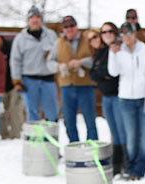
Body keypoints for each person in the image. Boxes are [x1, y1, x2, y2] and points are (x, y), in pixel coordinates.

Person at [107, 21, 145, 180]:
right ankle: (131, 168)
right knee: (131, 137)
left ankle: (140, 170)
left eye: (129, 33)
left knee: (144, 137)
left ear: (135, 33)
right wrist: (113, 54)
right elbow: (113, 72)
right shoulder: (118, 51)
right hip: (126, 99)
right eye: (123, 34)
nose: (126, 37)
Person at [47, 15, 98, 143]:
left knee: (90, 120)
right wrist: (59, 66)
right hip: (66, 86)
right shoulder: (58, 43)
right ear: (63, 29)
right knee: (69, 120)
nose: (69, 29)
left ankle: (91, 148)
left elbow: (96, 59)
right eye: (66, 27)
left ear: (76, 26)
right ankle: (74, 147)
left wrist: (81, 62)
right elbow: (49, 62)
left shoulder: (87, 39)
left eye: (72, 26)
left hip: (85, 85)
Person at [10, 6, 59, 123]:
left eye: (37, 17)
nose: (35, 20)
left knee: (52, 111)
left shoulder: (51, 35)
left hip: (48, 79)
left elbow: (60, 53)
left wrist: (53, 58)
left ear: (41, 20)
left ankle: (51, 139)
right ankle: (35, 140)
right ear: (28, 21)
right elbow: (15, 60)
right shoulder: (20, 39)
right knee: (32, 111)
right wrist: (16, 80)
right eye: (32, 18)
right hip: (29, 80)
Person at [90, 22, 127, 174]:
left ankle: (125, 162)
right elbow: (93, 73)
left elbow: (113, 73)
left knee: (121, 130)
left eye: (110, 31)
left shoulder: (120, 49)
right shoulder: (101, 52)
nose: (107, 34)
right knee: (113, 130)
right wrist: (103, 75)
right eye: (104, 32)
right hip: (106, 96)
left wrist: (103, 74)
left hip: (118, 95)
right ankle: (116, 163)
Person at [0, 31, 24, 140]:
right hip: (1, 87)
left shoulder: (11, 47)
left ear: (0, 38)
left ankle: (15, 135)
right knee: (1, 111)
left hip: (14, 84)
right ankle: (3, 135)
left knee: (15, 109)